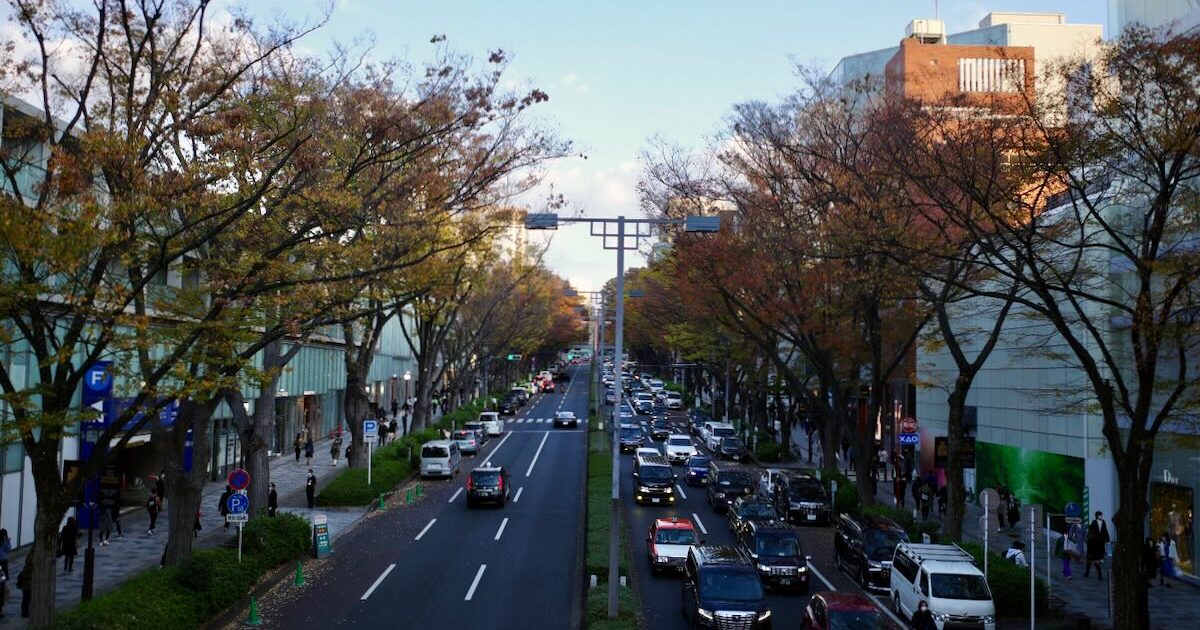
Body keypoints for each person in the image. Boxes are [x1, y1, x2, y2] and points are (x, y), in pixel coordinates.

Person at [1085, 511, 1110, 579]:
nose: (1101, 516)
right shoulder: (1093, 523)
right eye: (1099, 515)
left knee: (1094, 560)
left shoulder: (1103, 522)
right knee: (1092, 560)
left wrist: (1107, 539)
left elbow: (1105, 530)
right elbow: (1090, 537)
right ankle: (1089, 573)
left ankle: (1098, 575)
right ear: (1096, 516)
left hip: (1099, 543)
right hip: (1093, 545)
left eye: (1101, 515)